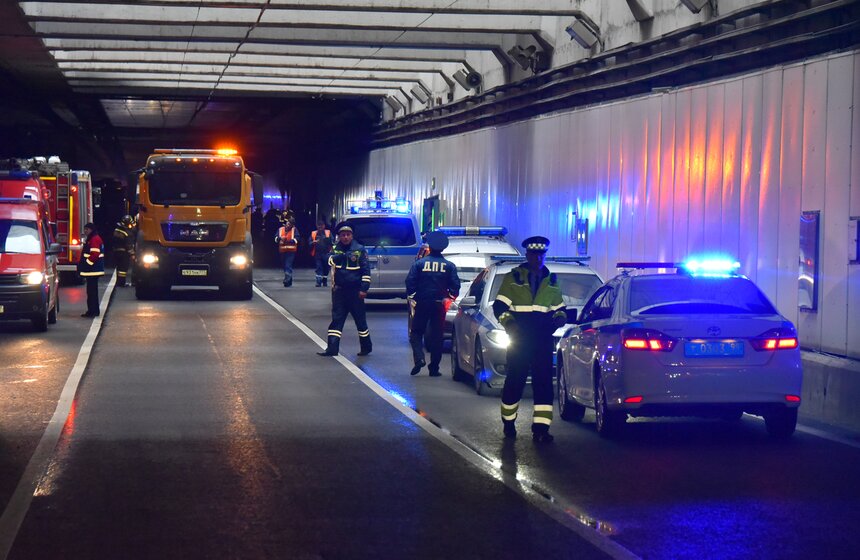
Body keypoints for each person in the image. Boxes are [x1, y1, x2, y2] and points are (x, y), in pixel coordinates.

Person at [492, 236, 566, 443]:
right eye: (534, 254)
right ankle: (508, 422)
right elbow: (499, 307)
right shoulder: (513, 278)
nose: (538, 258)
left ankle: (541, 429)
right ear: (527, 255)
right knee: (515, 381)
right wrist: (510, 325)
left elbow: (560, 308)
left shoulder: (551, 281)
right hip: (520, 341)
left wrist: (560, 318)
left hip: (542, 341)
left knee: (544, 385)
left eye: (542, 254)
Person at [405, 231, 460, 377]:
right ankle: (434, 368)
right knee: (437, 336)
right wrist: (449, 297)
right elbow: (455, 286)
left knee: (416, 332)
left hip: (422, 302)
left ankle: (419, 358)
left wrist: (414, 296)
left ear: (429, 246)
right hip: (439, 305)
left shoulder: (419, 264)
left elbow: (410, 282)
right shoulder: (449, 266)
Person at [318, 223, 373, 357]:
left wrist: (364, 289)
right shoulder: (336, 249)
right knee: (337, 320)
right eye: (343, 235)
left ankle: (366, 347)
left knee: (360, 321)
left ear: (352, 236)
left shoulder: (359, 249)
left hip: (355, 292)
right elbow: (327, 260)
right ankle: (332, 349)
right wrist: (339, 257)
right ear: (339, 236)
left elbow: (366, 271)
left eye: (348, 235)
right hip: (339, 292)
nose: (346, 237)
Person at [78, 222, 105, 317]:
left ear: (91, 230)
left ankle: (93, 311)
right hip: (93, 270)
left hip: (93, 270)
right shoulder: (93, 238)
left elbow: (94, 254)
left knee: (92, 292)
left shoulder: (94, 239)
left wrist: (87, 264)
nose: (85, 231)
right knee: (91, 292)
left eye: (87, 229)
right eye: (85, 229)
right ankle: (92, 310)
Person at [112, 214, 136, 287]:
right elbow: (129, 245)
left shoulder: (117, 230)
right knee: (123, 269)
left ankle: (119, 282)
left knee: (119, 268)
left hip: (116, 252)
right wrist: (132, 254)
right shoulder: (126, 233)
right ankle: (121, 283)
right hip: (123, 253)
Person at [276, 212, 299, 287]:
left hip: (291, 251)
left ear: (292, 225)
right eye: (288, 224)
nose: (288, 225)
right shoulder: (280, 229)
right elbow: (275, 238)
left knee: (288, 265)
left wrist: (289, 241)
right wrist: (280, 238)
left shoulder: (294, 230)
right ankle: (289, 280)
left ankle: (287, 280)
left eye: (290, 225)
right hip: (282, 251)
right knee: (284, 266)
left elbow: (297, 239)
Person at [309, 220, 333, 287]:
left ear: (324, 226)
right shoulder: (313, 233)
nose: (320, 227)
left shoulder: (328, 233)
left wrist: (328, 241)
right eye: (319, 226)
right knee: (318, 267)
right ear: (317, 226)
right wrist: (313, 242)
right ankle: (318, 281)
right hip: (317, 253)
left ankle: (324, 280)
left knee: (326, 267)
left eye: (321, 225)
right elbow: (309, 242)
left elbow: (333, 242)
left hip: (326, 253)